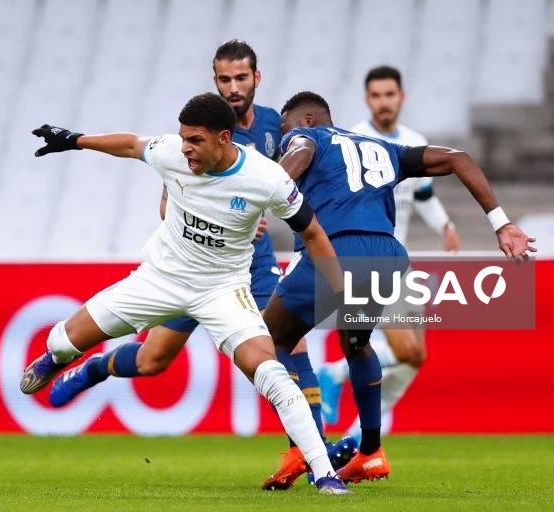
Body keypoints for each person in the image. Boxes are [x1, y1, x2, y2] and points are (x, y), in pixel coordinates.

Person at [47, 40, 356, 475]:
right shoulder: (196, 136)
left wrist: (258, 214)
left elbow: (299, 176)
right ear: (215, 80)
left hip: (251, 263)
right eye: (224, 79)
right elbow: (166, 203)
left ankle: (307, 452)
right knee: (153, 361)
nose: (233, 87)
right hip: (189, 265)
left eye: (241, 78)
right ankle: (96, 367)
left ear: (256, 78)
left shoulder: (276, 127)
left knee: (288, 342)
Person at [260, 91, 535, 485]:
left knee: (268, 342)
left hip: (335, 250)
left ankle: (303, 449)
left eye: (285, 128)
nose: (284, 137)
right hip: (387, 257)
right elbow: (459, 159)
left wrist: (262, 191)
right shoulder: (384, 148)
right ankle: (370, 452)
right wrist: (502, 223)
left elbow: (299, 151)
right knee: (356, 343)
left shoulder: (308, 137)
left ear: (305, 120)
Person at [318, 65, 461, 437]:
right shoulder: (353, 141)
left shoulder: (414, 142)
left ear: (401, 97)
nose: (384, 102)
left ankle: (355, 442)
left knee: (415, 357)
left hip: (401, 261)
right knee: (402, 349)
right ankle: (333, 374)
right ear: (368, 99)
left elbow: (424, 196)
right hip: (368, 261)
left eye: (390, 95)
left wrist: (445, 225)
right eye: (377, 96)